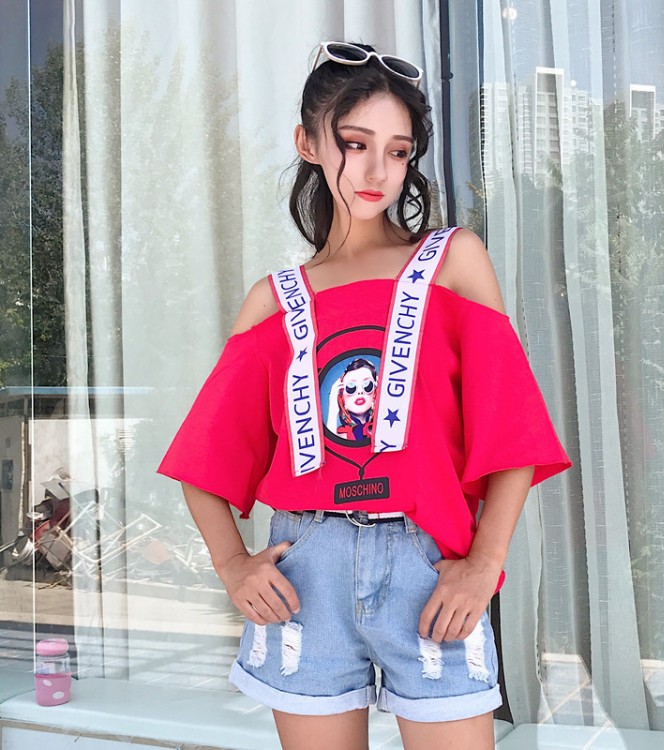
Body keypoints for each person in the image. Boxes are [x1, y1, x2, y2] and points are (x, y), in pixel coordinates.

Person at [158, 41, 571, 750]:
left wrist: (485, 564)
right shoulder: (273, 302)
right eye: (355, 143)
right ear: (308, 144)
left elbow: (511, 432)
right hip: (303, 573)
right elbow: (204, 461)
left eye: (398, 151)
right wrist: (232, 564)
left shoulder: (453, 261)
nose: (379, 170)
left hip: (428, 570)